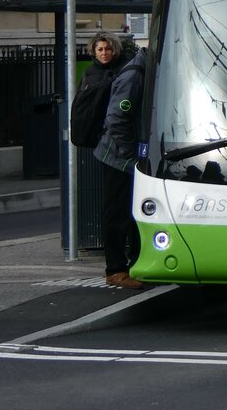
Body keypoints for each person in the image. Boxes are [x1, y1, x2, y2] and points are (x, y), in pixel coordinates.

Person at [94, 46, 148, 289]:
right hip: (118, 157)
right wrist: (131, 153)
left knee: (134, 212)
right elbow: (116, 119)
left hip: (128, 156)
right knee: (117, 214)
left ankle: (135, 263)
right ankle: (115, 270)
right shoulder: (135, 75)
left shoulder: (143, 71)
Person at [69, 33, 125, 149]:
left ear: (115, 50)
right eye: (100, 49)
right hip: (96, 135)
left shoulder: (124, 69)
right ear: (94, 52)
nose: (104, 53)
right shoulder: (89, 73)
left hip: (118, 131)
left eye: (108, 49)